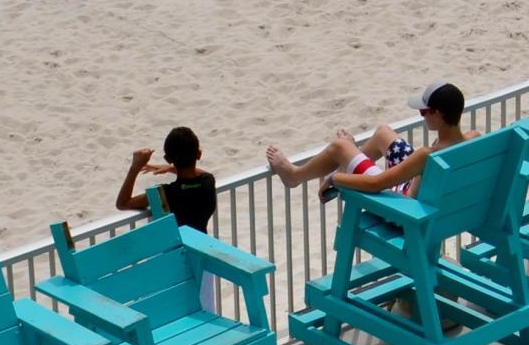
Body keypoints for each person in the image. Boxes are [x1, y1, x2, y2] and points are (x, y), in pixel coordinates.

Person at [266, 82, 467, 200]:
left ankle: (294, 176)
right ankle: (350, 161)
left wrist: (335, 180)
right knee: (382, 133)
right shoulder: (472, 140)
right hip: (436, 204)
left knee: (340, 146)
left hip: (405, 208)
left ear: (438, 114)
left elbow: (375, 184)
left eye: (424, 112)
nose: (421, 116)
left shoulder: (427, 155)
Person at [117, 125, 219, 238]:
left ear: (167, 159)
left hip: (176, 251)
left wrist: (135, 167)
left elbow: (122, 203)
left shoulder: (163, 194)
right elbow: (200, 175)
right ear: (199, 154)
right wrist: (171, 168)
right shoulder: (208, 182)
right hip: (201, 247)